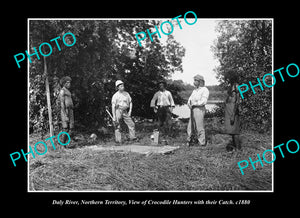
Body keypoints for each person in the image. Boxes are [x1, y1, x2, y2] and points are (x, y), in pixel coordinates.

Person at [187, 74, 209, 146]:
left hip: (199, 109)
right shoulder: (194, 91)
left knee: (199, 126)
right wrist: (189, 104)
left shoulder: (204, 90)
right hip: (192, 109)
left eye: (196, 80)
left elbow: (204, 101)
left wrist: (195, 103)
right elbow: (189, 100)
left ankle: (201, 142)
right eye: (194, 80)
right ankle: (190, 140)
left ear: (200, 81)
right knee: (190, 126)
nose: (194, 82)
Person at [111, 80, 137, 144]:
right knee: (117, 125)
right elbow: (113, 106)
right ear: (117, 87)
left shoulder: (126, 94)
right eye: (121, 85)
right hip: (118, 110)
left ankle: (132, 138)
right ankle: (118, 141)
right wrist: (114, 116)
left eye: (123, 85)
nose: (122, 86)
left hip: (125, 111)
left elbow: (130, 102)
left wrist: (130, 111)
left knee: (132, 124)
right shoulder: (115, 95)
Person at [224, 83, 241, 151]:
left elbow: (236, 106)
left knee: (235, 132)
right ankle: (234, 147)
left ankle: (238, 149)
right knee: (232, 132)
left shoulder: (235, 95)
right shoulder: (230, 95)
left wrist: (233, 116)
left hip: (232, 114)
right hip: (229, 113)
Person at [59, 76, 74, 144]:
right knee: (65, 128)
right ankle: (62, 144)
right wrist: (65, 114)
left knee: (71, 127)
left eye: (70, 82)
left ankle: (66, 142)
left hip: (70, 110)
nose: (69, 84)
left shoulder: (68, 91)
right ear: (64, 83)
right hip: (65, 111)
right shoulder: (62, 91)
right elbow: (62, 103)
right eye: (68, 83)